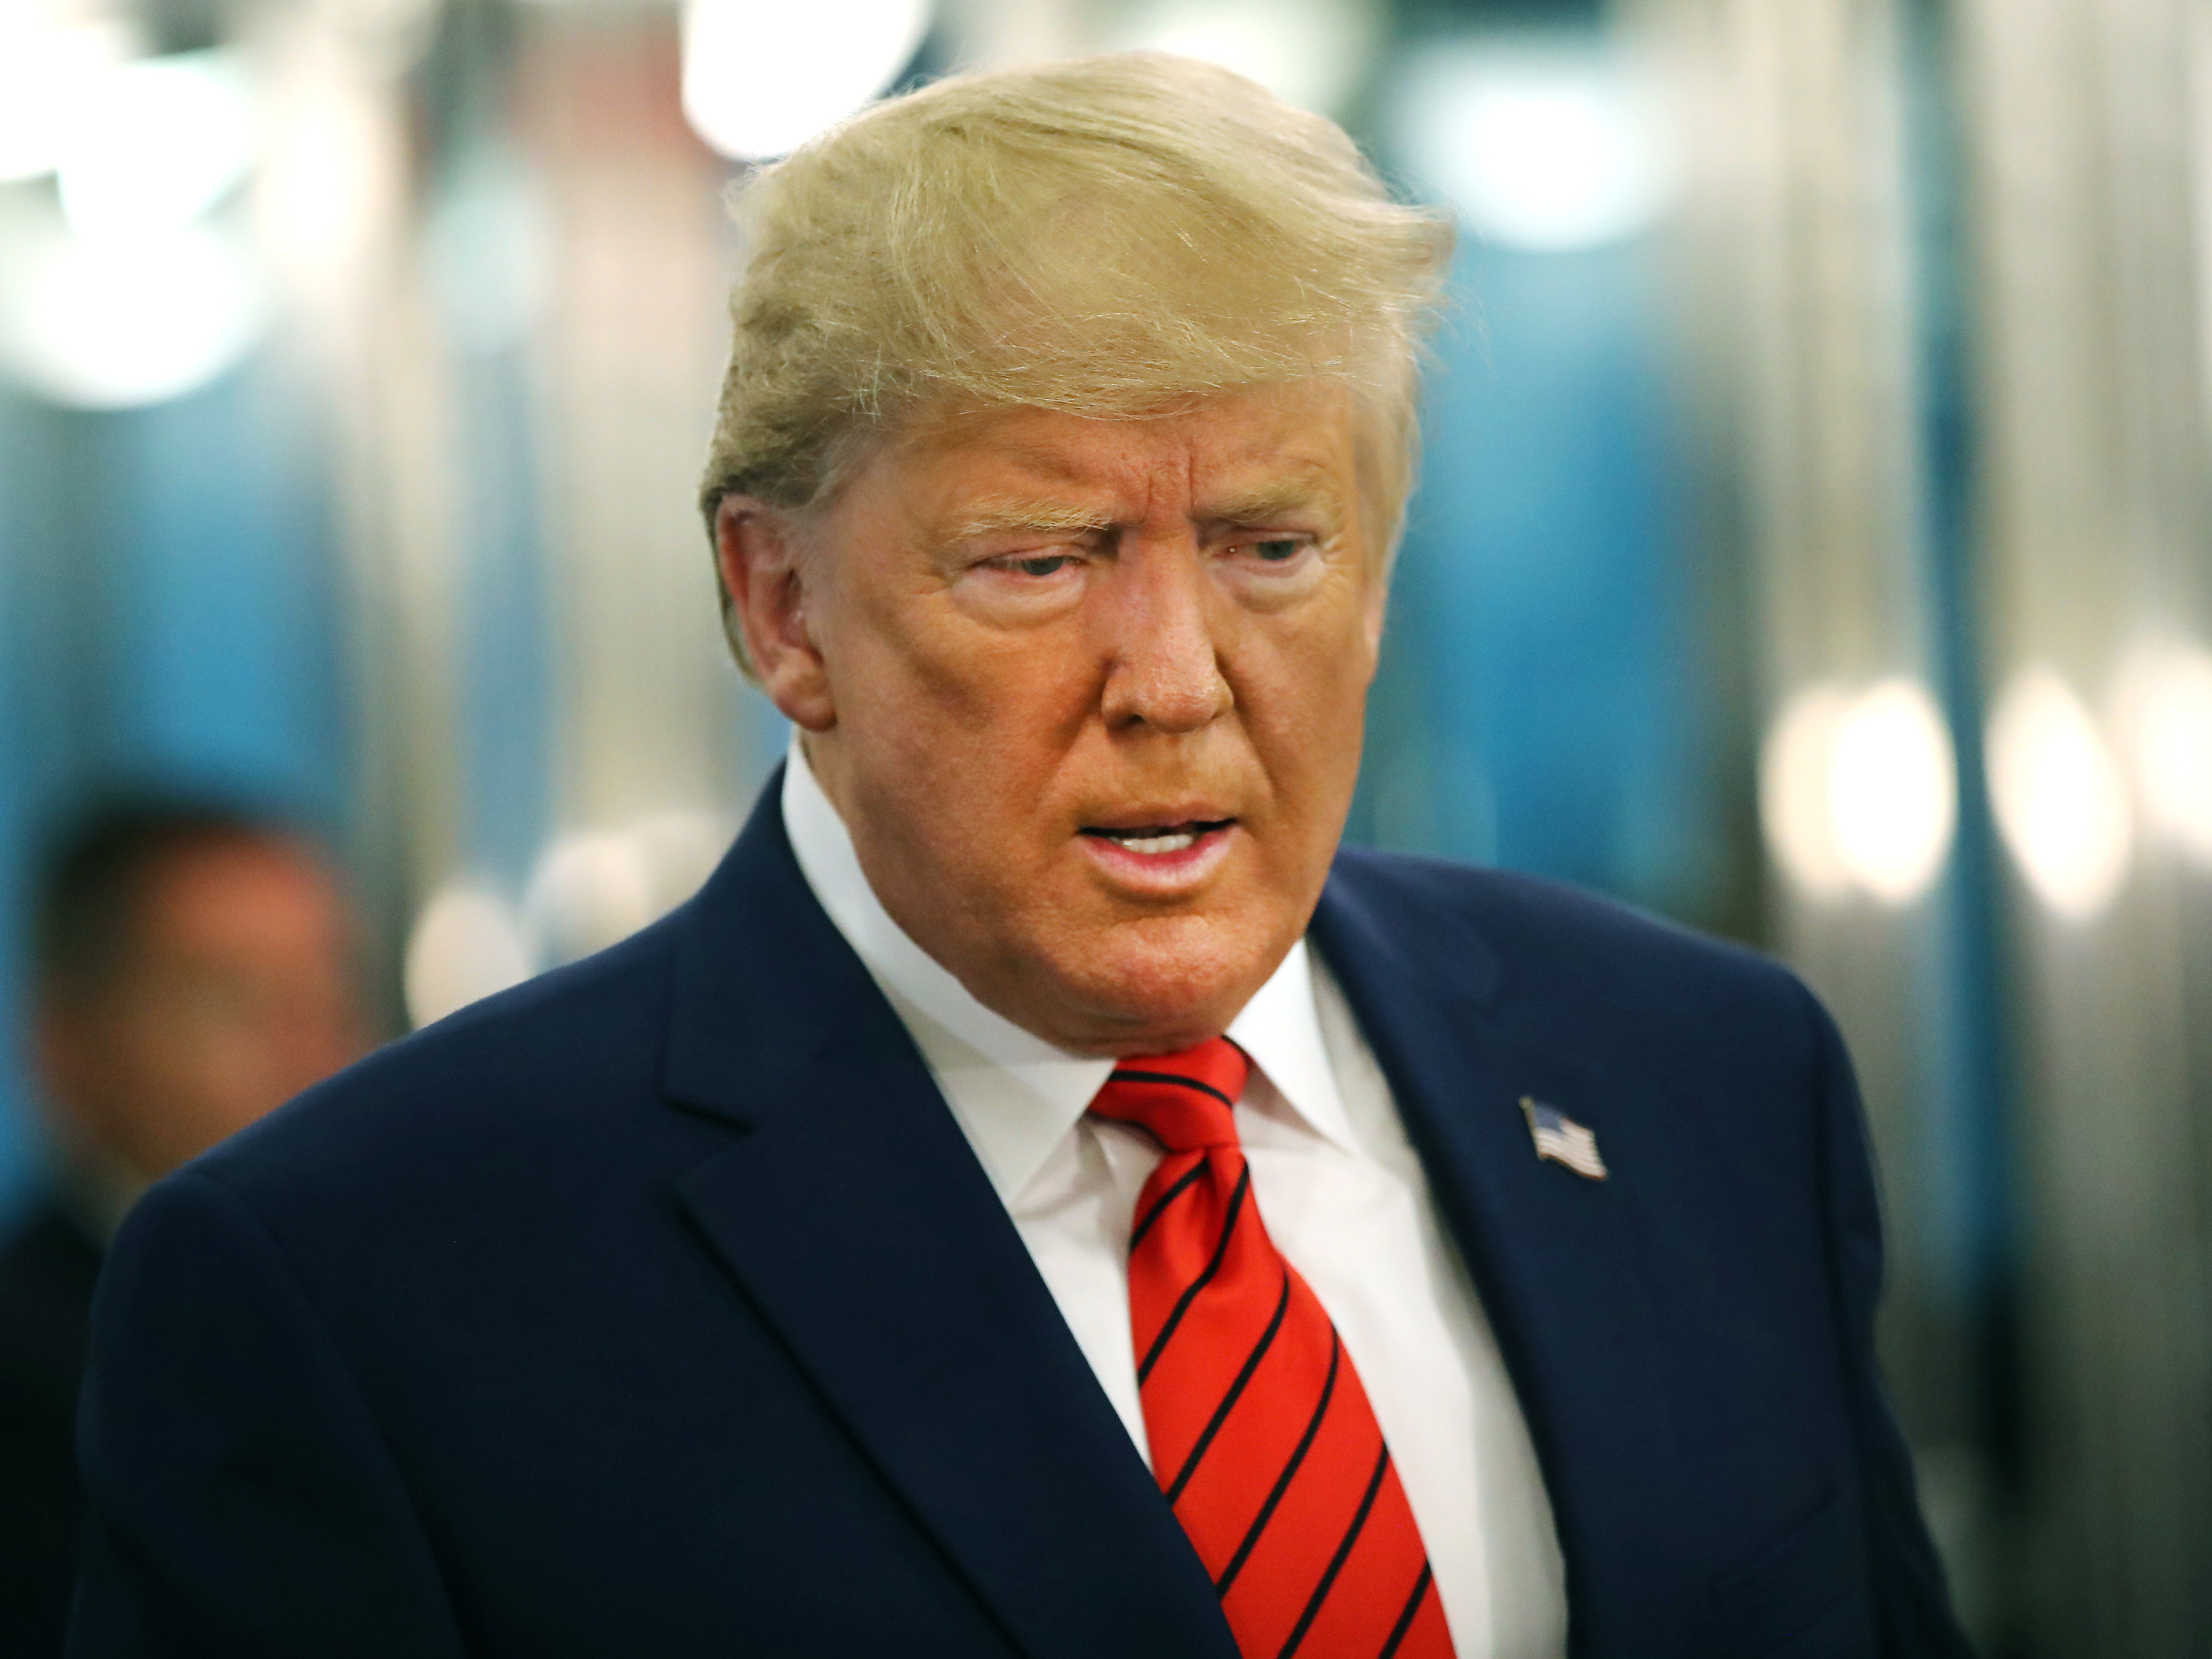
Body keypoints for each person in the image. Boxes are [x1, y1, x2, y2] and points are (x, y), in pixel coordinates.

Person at [68, 54, 1971, 1659]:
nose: (1172, 680)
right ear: (781, 605)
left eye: (1268, 546)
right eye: (1041, 560)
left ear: (1377, 575)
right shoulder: (356, 1289)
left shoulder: (1705, 1076)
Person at [0, 803, 365, 1656]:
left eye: (329, 993)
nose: (311, 1048)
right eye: (235, 1003)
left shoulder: (380, 1311)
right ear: (68, 1043)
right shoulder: (27, 1383)